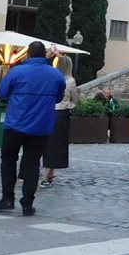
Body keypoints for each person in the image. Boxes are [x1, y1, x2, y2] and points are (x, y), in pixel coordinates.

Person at [0, 41, 65, 216]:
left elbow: (1, 92)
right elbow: (58, 98)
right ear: (44, 55)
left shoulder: (16, 71)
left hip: (15, 123)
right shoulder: (55, 75)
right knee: (32, 164)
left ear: (28, 54)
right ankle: (27, 203)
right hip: (40, 126)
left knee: (8, 160)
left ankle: (7, 198)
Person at [41, 55, 78, 187]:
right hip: (61, 113)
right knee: (56, 145)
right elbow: (75, 99)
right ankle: (46, 177)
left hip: (48, 111)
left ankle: (49, 173)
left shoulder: (51, 77)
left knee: (47, 143)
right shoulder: (70, 81)